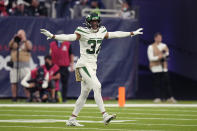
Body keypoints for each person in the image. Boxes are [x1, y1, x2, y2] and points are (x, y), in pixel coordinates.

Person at [40, 12, 143, 126]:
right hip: (83, 65)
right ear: (88, 23)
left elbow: (115, 34)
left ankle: (72, 119)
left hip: (93, 66)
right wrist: (54, 36)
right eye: (92, 22)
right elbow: (70, 37)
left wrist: (131, 33)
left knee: (84, 93)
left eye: (96, 21)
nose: (95, 24)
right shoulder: (82, 31)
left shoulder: (102, 31)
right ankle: (104, 115)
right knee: (97, 86)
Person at [147, 32, 176, 103]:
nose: (160, 39)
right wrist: (160, 56)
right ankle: (157, 97)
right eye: (158, 37)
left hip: (164, 67)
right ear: (155, 38)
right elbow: (151, 58)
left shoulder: (164, 45)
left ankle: (170, 97)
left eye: (161, 37)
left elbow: (167, 54)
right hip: (155, 68)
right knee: (157, 83)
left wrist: (164, 56)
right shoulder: (151, 47)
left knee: (166, 83)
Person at [8, 29, 32, 102]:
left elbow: (29, 48)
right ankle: (14, 98)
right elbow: (9, 46)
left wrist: (24, 40)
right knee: (14, 82)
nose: (20, 36)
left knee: (26, 82)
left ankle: (28, 97)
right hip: (15, 66)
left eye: (21, 34)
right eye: (19, 34)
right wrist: (14, 38)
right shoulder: (15, 42)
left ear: (24, 35)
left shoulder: (27, 42)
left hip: (25, 66)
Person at [49, 35, 74, 102]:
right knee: (54, 82)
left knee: (64, 83)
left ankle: (64, 99)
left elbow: (71, 54)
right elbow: (50, 54)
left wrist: (72, 64)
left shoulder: (67, 44)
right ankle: (54, 98)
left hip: (64, 66)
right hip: (55, 67)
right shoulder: (52, 44)